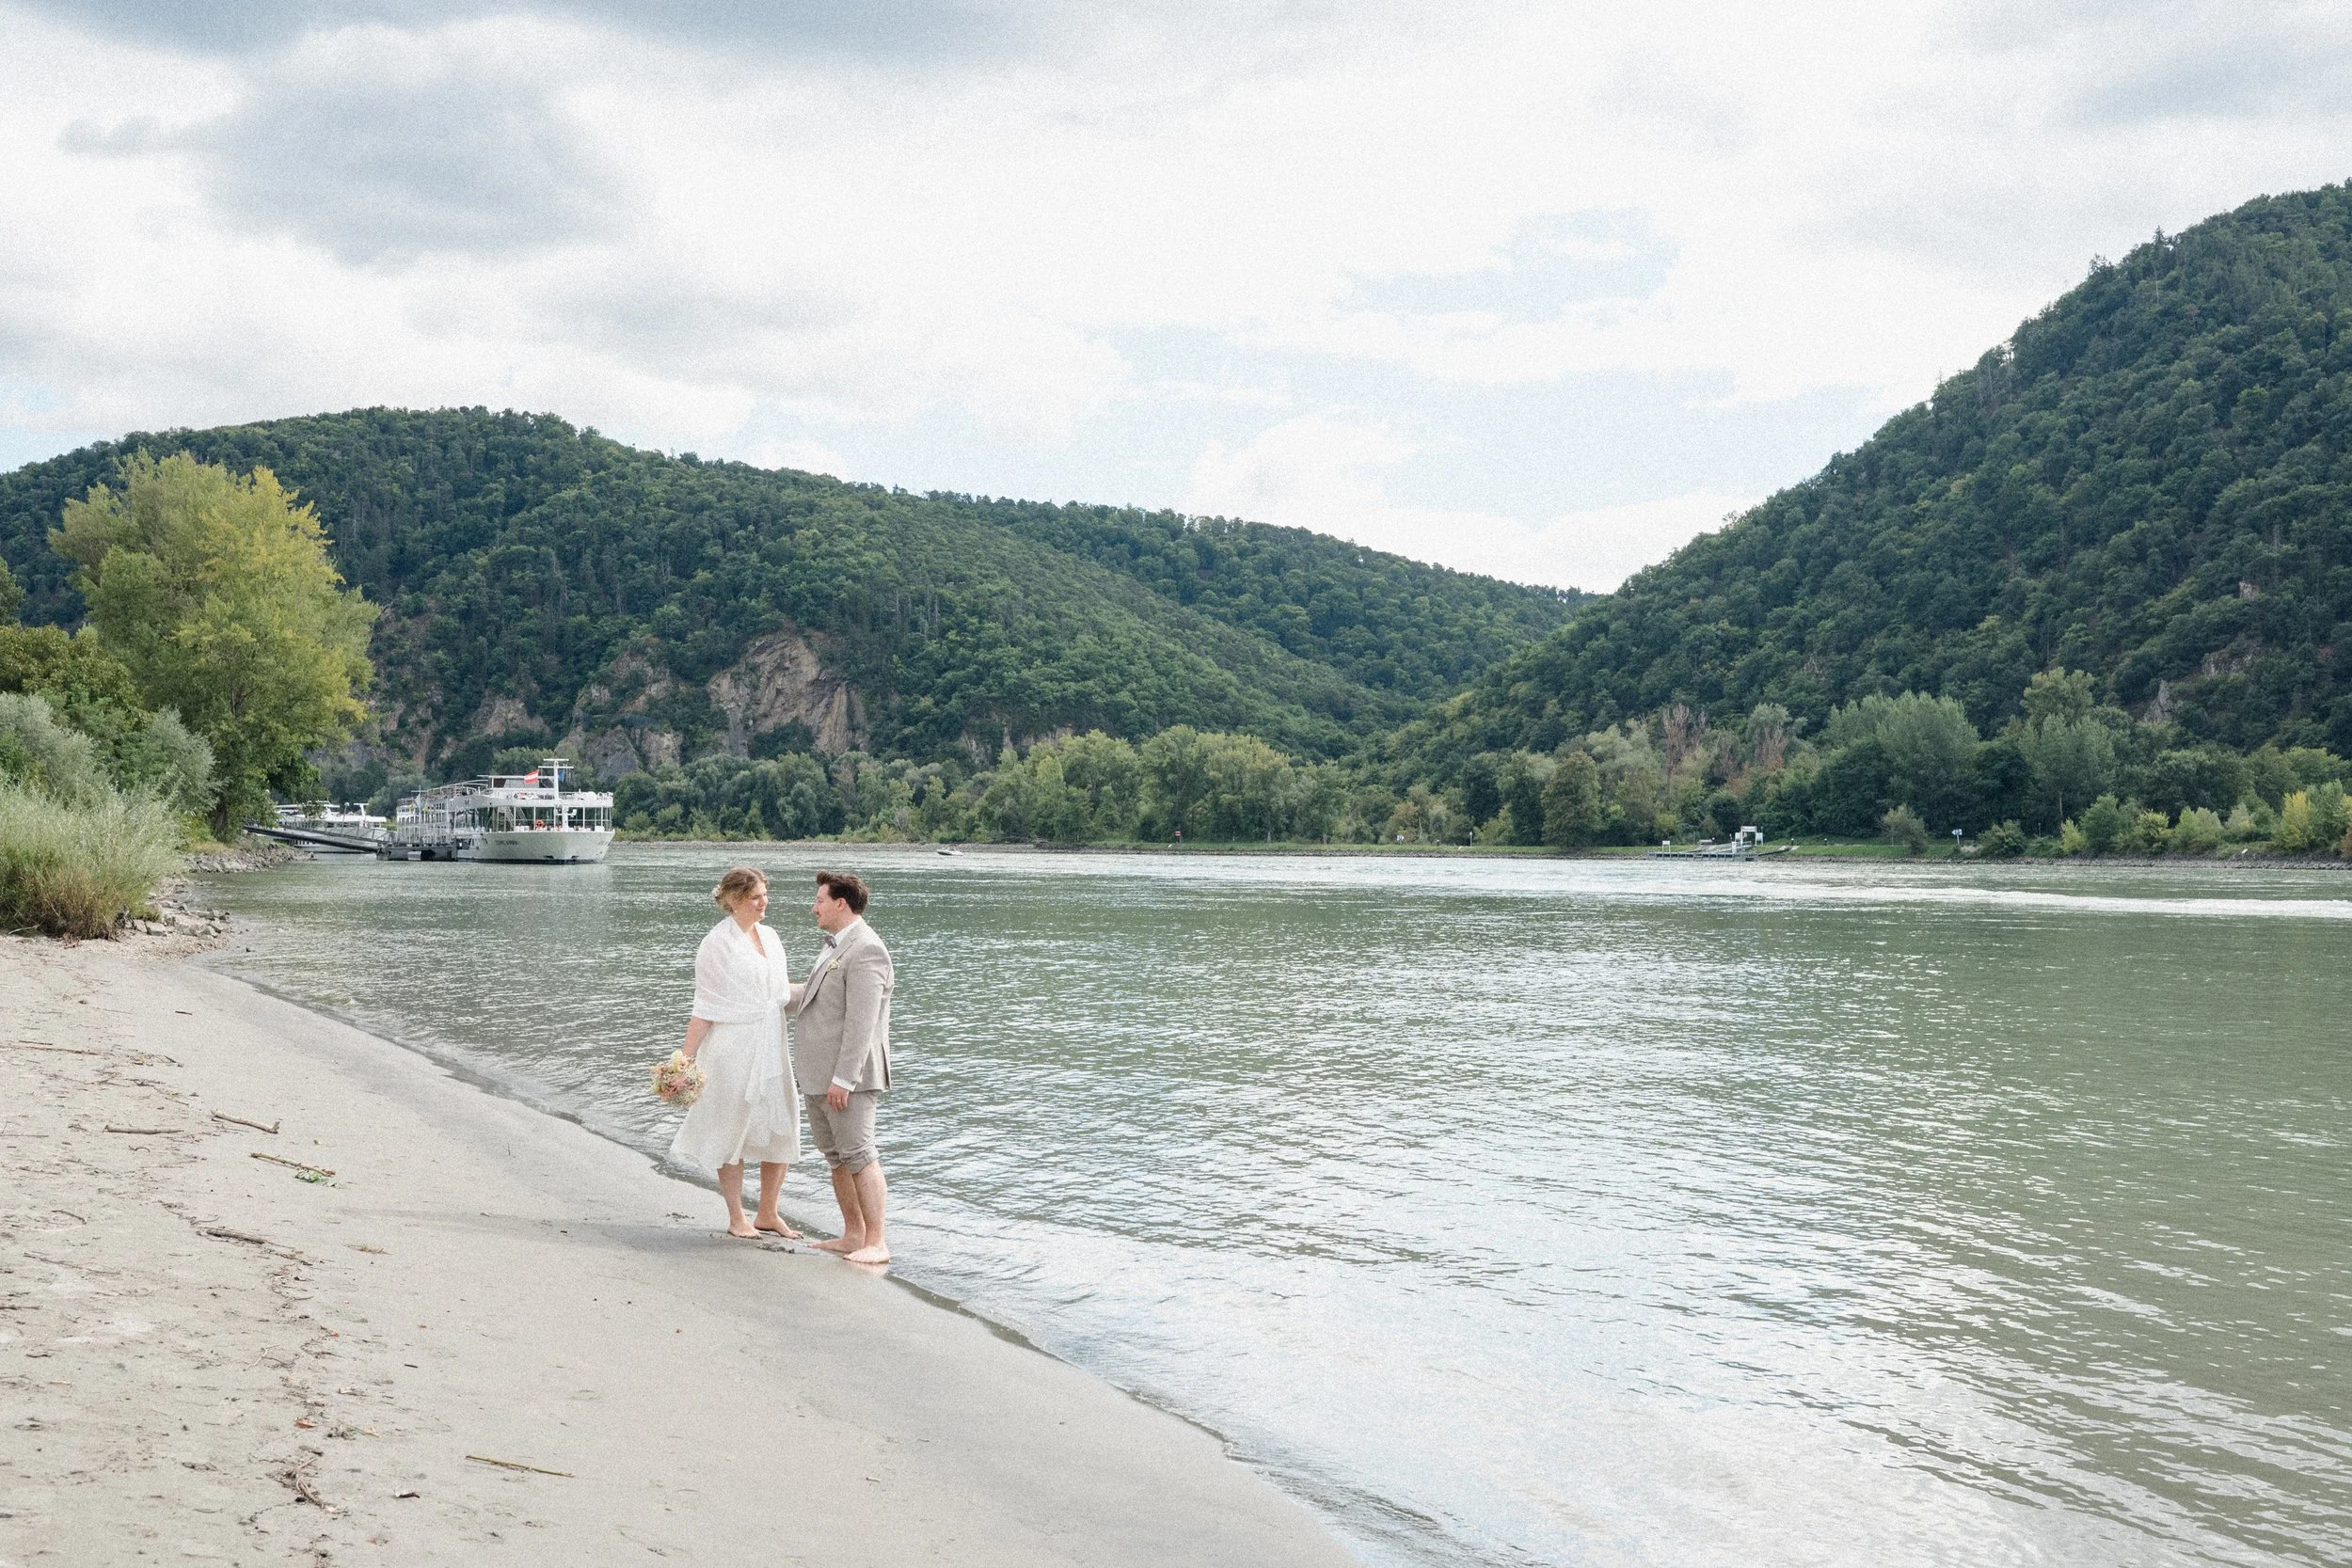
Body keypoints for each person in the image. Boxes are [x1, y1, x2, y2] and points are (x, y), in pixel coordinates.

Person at [670, 866, 803, 1241]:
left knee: (782, 1122)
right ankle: (736, 1216)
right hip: (733, 1046)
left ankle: (768, 1213)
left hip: (771, 1042)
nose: (765, 902)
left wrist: (827, 989)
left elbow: (780, 993)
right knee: (733, 1126)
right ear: (734, 900)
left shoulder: (772, 937)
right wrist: (685, 1060)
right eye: (757, 896)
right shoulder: (716, 944)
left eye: (765, 894)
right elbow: (704, 1006)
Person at [786, 869, 894, 1264]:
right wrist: (766, 990)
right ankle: (853, 1235)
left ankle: (877, 1242)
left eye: (818, 900)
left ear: (840, 904)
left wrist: (844, 1079)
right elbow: (811, 998)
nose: (813, 908)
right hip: (818, 1075)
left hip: (848, 1079)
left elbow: (862, 1024)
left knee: (860, 1153)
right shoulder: (834, 947)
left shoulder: (867, 949)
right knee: (836, 1157)